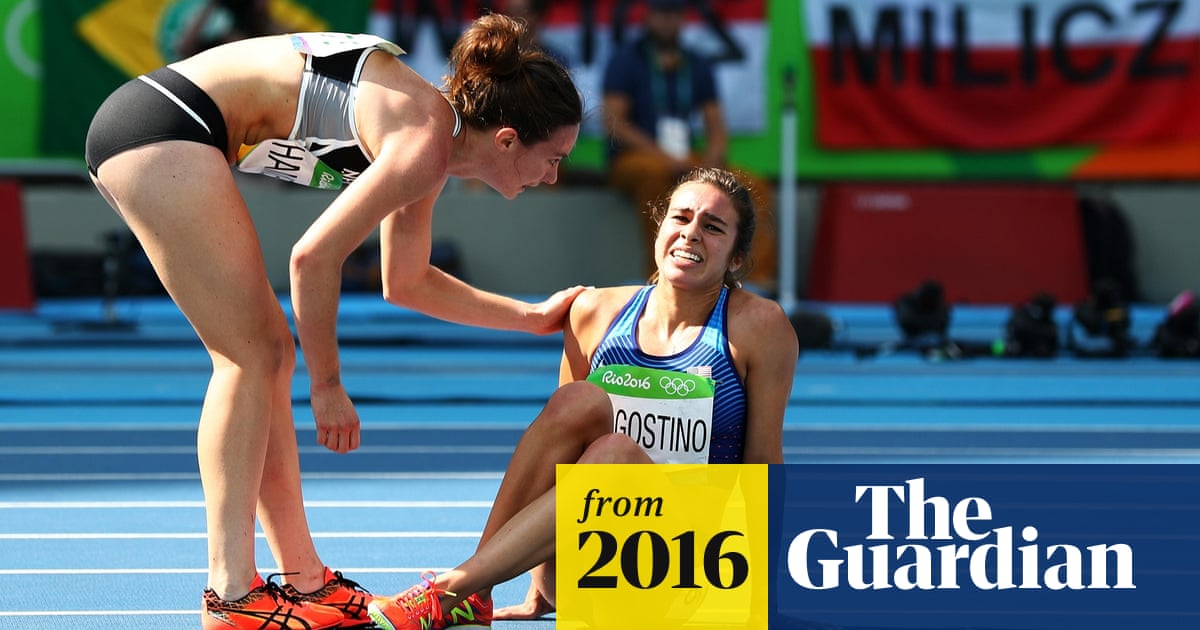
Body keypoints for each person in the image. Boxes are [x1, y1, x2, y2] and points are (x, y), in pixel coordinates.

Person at [83, 14, 584, 630]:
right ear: (507, 140)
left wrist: (530, 317)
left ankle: (306, 581)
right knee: (251, 354)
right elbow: (312, 257)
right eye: (554, 157)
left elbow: (406, 281)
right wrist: (328, 385)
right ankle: (230, 592)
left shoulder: (433, 141)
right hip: (163, 124)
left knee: (264, 351)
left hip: (162, 124)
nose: (554, 176)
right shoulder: (424, 142)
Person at [365, 167, 798, 630]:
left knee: (615, 453)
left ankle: (452, 589)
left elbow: (762, 464)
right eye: (681, 217)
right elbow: (556, 458)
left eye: (712, 227)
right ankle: (477, 590)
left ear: (735, 258)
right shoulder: (595, 311)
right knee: (578, 404)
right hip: (587, 564)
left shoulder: (759, 327)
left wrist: (761, 595)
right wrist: (537, 592)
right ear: (660, 226)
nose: (690, 233)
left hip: (683, 566)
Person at [602, 0, 778, 292]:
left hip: (685, 158)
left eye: (674, 14)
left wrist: (712, 159)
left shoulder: (696, 62)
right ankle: (662, 276)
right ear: (649, 16)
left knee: (752, 186)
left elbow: (717, 126)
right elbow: (615, 124)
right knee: (656, 177)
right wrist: (663, 156)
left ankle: (752, 283)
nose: (667, 21)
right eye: (661, 14)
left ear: (682, 19)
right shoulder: (626, 59)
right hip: (637, 159)